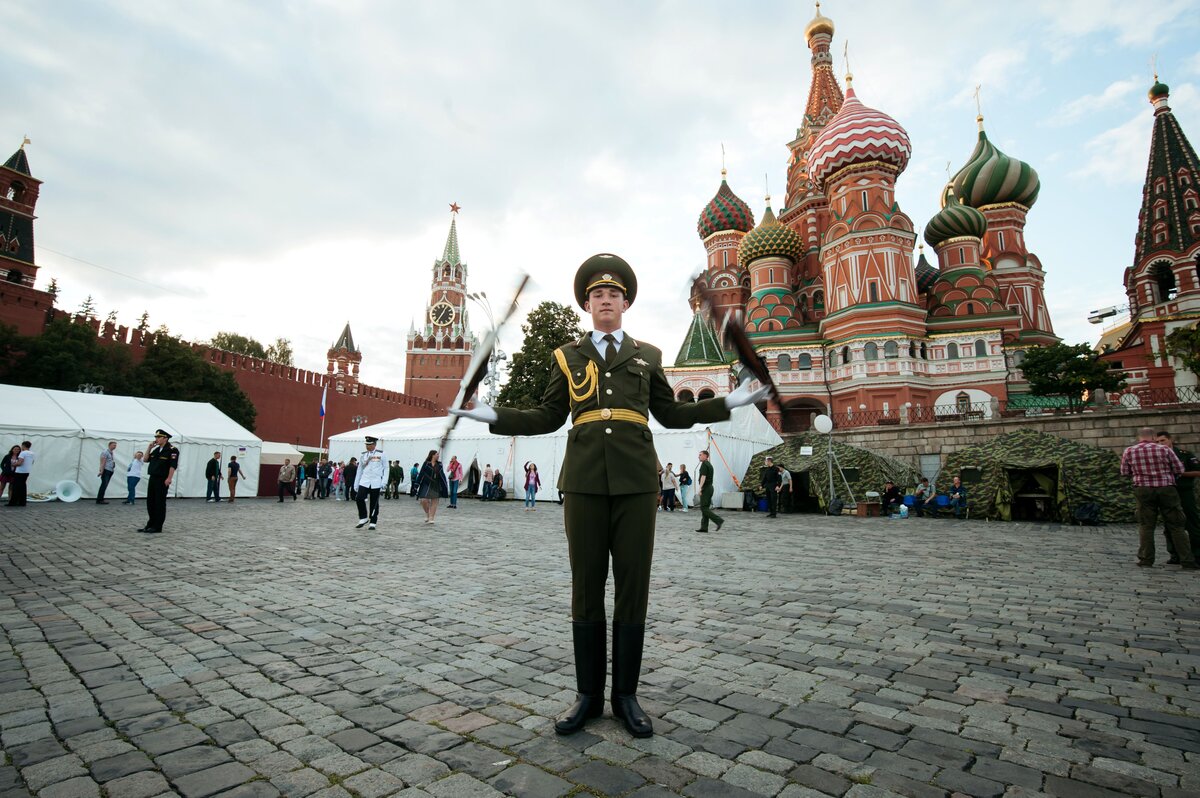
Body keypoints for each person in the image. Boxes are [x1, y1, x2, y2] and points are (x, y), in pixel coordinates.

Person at [450, 253, 767, 738]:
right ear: (586, 304)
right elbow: (546, 416)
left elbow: (671, 414)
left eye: (613, 294)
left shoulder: (649, 356)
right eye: (597, 295)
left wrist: (727, 402)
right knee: (586, 587)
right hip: (583, 483)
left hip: (638, 482)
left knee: (632, 588)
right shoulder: (566, 356)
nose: (605, 300)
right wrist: (489, 414)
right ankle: (587, 697)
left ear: (625, 303)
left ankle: (626, 697)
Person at [1122, 427, 1195, 569]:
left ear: (1139, 438)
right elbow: (1179, 469)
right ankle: (1187, 560)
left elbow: (1124, 472)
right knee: (1176, 525)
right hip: (1166, 488)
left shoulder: (1129, 451)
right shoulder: (1165, 450)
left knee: (1146, 525)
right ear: (1154, 437)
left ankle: (1146, 559)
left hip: (1143, 489)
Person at [1156, 431, 1200, 563]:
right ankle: (1175, 554)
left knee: (1192, 523)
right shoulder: (1157, 456)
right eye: (1157, 442)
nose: (1160, 444)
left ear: (1170, 440)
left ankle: (1197, 554)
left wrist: (1181, 473)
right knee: (1170, 524)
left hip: (1184, 491)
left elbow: (1198, 471)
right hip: (1168, 492)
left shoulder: (1184, 455)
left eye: (1162, 441)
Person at [138, 430, 177, 533]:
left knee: (159, 502)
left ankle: (157, 526)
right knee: (150, 502)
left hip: (162, 479)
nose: (156, 439)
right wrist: (149, 448)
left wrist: (169, 478)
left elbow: (173, 466)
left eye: (159, 437)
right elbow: (145, 459)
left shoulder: (172, 450)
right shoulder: (156, 450)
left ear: (165, 438)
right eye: (156, 437)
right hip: (153, 478)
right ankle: (150, 524)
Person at [354, 437, 387, 529]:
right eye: (366, 444)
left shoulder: (381, 454)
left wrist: (384, 482)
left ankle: (373, 521)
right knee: (359, 498)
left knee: (374, 502)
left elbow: (386, 468)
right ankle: (363, 517)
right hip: (365, 480)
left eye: (369, 444)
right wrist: (356, 483)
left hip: (376, 481)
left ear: (374, 444)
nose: (367, 446)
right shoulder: (363, 455)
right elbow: (359, 469)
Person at [416, 449, 449, 524]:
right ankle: (427, 513)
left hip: (436, 484)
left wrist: (445, 486)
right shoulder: (426, 464)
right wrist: (416, 484)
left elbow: (442, 475)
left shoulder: (440, 464)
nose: (438, 456)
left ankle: (431, 517)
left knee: (434, 501)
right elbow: (421, 474)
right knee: (424, 500)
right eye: (437, 454)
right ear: (432, 455)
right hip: (426, 484)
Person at [697, 450, 723, 534]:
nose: (699, 456)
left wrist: (700, 488)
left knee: (703, 507)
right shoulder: (708, 464)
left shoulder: (704, 464)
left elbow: (703, 477)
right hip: (709, 487)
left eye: (700, 455)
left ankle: (718, 520)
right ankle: (704, 527)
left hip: (706, 488)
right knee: (705, 507)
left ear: (705, 456)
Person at [6, 441, 34, 508]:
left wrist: (12, 464)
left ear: (23, 446)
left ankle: (13, 502)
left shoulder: (23, 453)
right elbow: (32, 462)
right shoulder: (32, 453)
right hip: (27, 471)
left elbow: (19, 463)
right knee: (23, 487)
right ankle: (22, 502)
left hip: (20, 472)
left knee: (16, 487)